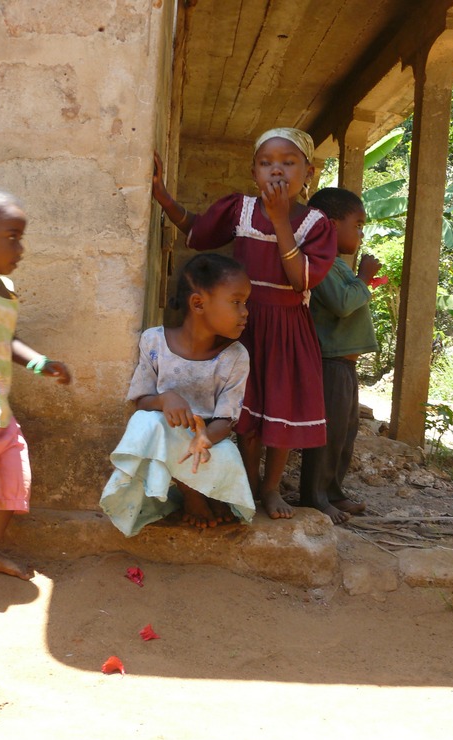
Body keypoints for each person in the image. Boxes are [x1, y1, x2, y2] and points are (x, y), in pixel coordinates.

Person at [152, 128, 337, 519]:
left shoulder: (316, 224)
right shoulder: (241, 210)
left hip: (287, 329)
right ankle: (248, 484)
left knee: (280, 409)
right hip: (243, 326)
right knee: (245, 412)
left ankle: (271, 489)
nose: (277, 172)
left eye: (288, 163)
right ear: (253, 171)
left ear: (311, 172)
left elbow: (301, 279)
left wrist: (280, 219)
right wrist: (164, 197)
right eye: (266, 163)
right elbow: (198, 231)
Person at [100, 253, 256, 534]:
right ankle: (192, 496)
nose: (245, 311)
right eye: (236, 302)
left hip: (210, 442)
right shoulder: (154, 341)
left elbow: (226, 418)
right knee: (146, 423)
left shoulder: (235, 356)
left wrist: (204, 437)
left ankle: (212, 494)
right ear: (198, 303)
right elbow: (141, 402)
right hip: (165, 439)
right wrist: (165, 399)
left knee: (220, 457)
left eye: (245, 302)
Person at [0, 187, 71, 580]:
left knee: (15, 483)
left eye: (21, 237)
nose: (20, 249)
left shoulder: (6, 292)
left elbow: (5, 340)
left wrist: (39, 363)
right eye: (11, 237)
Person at [300, 187, 383, 523]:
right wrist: (363, 278)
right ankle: (314, 497)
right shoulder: (323, 264)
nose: (361, 233)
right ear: (331, 225)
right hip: (329, 361)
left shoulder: (337, 265)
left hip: (345, 363)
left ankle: (333, 492)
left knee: (345, 433)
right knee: (328, 434)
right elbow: (343, 304)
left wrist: (361, 280)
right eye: (358, 224)